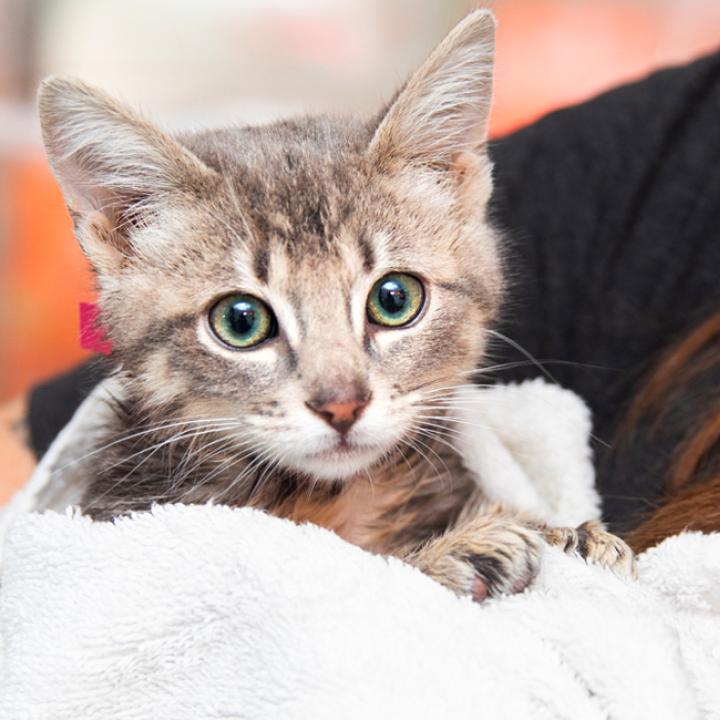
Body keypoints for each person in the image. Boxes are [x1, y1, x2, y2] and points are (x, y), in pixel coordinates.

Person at [3, 53, 720, 543]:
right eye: (242, 320)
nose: (339, 395)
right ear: (123, 232)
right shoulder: (133, 532)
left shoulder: (462, 488)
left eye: (391, 301)